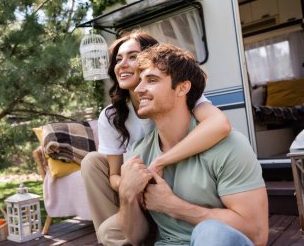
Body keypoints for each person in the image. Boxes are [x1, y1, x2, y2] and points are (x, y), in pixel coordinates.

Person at [103, 43, 268, 246]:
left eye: (152, 80)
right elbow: (136, 237)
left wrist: (173, 206)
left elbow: (257, 234)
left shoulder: (230, 146)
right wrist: (127, 195)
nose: (138, 89)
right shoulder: (139, 154)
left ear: (182, 88)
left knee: (211, 233)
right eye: (140, 81)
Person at [81, 31, 231, 235]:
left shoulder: (179, 91)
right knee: (92, 162)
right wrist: (132, 186)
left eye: (132, 57)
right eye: (118, 59)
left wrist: (160, 162)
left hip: (181, 176)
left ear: (149, 60)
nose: (122, 64)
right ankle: (123, 235)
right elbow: (114, 175)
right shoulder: (112, 115)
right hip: (142, 185)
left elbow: (220, 124)